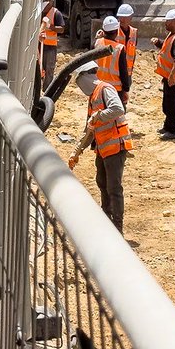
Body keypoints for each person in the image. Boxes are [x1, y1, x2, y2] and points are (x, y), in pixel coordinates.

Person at [66, 62, 131, 235]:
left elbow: (118, 109)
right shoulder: (93, 97)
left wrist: (98, 115)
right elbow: (90, 130)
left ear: (84, 76)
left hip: (116, 145)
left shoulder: (105, 89)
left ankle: (117, 228)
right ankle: (106, 218)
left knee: (113, 187)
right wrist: (76, 152)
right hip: (104, 147)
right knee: (102, 182)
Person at [152, 9, 175, 140]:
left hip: (173, 78)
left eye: (168, 21)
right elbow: (168, 50)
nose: (165, 23)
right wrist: (158, 43)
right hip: (168, 77)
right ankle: (167, 126)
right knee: (167, 103)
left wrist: (172, 75)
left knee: (171, 104)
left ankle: (173, 130)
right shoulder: (172, 36)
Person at [95, 16, 132, 105]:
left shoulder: (97, 43)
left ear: (103, 31)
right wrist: (125, 90)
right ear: (117, 32)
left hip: (99, 86)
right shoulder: (119, 48)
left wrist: (97, 38)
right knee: (115, 115)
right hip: (115, 89)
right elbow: (123, 72)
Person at [38, 0, 66, 83]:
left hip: (50, 47)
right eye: (44, 0)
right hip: (39, 45)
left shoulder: (56, 13)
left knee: (49, 70)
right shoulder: (39, 12)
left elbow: (61, 29)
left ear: (52, 1)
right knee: (38, 68)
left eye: (48, 1)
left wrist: (50, 26)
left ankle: (46, 91)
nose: (46, 3)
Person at [115, 3, 138, 71]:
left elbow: (133, 53)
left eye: (125, 17)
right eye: (120, 17)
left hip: (128, 71)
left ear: (131, 17)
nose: (122, 19)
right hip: (116, 70)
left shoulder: (134, 32)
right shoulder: (113, 30)